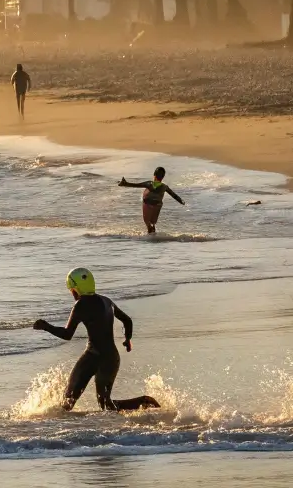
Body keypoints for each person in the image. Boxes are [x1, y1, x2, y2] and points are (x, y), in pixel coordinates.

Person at [32, 267, 158, 411]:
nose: (71, 293)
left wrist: (46, 326)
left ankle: (56, 427)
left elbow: (67, 334)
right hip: (111, 358)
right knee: (106, 405)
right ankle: (143, 401)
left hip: (92, 356)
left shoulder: (80, 305)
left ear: (75, 288)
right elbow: (127, 320)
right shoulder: (106, 301)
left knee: (68, 402)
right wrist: (127, 339)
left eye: (71, 289)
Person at [119, 166, 185, 234]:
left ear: (154, 175)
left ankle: (150, 231)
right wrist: (181, 201)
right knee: (153, 222)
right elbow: (173, 195)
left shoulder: (149, 184)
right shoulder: (164, 187)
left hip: (147, 204)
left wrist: (125, 184)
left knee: (147, 221)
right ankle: (152, 231)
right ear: (162, 177)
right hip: (157, 205)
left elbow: (136, 185)